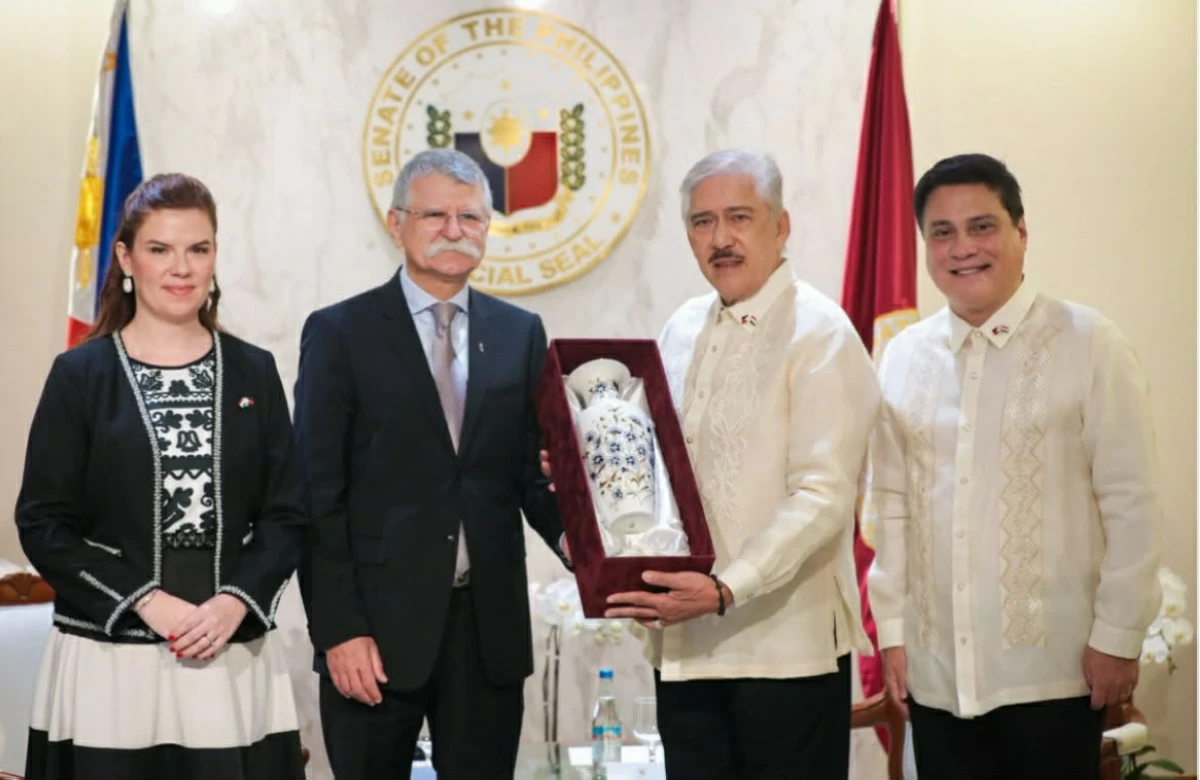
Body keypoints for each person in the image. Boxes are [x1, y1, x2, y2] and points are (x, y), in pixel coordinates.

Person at [866, 153, 1162, 780]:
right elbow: (890, 504)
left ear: (1021, 233)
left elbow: (1131, 503)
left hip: (1056, 675)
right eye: (941, 232)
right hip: (939, 673)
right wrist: (893, 630)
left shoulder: (1090, 345)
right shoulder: (903, 358)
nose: (962, 247)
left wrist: (1118, 636)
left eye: (982, 226)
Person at [593, 148, 881, 779]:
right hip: (687, 647)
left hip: (785, 654)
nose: (720, 239)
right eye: (702, 222)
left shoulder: (822, 335)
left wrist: (727, 589)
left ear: (780, 226)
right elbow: (657, 469)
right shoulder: (681, 327)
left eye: (740, 217)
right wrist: (587, 466)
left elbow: (823, 497)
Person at [15, 173, 308, 780]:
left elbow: (287, 514)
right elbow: (44, 524)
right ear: (125, 257)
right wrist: (148, 603)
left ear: (215, 257)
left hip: (232, 653)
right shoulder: (80, 376)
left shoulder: (254, 372)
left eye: (198, 249)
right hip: (109, 662)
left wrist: (234, 603)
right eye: (160, 249)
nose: (182, 268)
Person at [294, 148, 568, 780]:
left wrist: (588, 547)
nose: (454, 230)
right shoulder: (340, 333)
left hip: (487, 632)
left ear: (488, 228)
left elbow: (532, 475)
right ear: (397, 224)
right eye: (435, 214)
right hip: (374, 634)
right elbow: (316, 495)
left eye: (470, 217)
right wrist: (338, 630)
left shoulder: (519, 332)